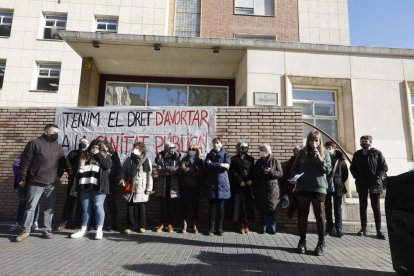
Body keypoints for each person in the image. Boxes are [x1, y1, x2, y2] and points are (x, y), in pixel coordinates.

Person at [15, 124, 67, 242]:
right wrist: (23, 177)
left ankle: (47, 230)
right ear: (46, 132)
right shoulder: (34, 143)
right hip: (35, 181)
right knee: (30, 207)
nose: (56, 135)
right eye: (54, 132)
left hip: (51, 183)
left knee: (50, 208)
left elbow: (62, 163)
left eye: (57, 133)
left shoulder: (58, 146)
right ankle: (26, 230)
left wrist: (58, 176)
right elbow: (25, 161)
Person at [290, 130, 331, 256]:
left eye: (316, 140)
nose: (313, 143)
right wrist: (293, 179)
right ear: (308, 140)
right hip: (303, 188)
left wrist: (319, 157)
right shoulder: (302, 153)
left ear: (319, 141)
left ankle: (321, 243)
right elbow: (294, 169)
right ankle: (302, 241)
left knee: (320, 215)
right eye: (311, 140)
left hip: (319, 188)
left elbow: (327, 170)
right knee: (302, 214)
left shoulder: (325, 153)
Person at [70, 139, 112, 240]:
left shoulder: (106, 155)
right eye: (93, 147)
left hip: (98, 186)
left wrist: (98, 154)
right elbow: (78, 169)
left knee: (98, 207)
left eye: (97, 147)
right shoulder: (84, 155)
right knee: (85, 208)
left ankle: (99, 230)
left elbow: (106, 166)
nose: (95, 149)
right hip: (85, 184)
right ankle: (83, 229)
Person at [350, 135, 388, 240]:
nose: (363, 143)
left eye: (365, 141)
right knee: (363, 207)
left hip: (375, 184)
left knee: (376, 207)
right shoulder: (357, 154)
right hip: (362, 184)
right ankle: (363, 228)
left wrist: (377, 177)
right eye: (361, 141)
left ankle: (378, 230)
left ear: (370, 142)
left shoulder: (377, 153)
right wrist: (356, 176)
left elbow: (384, 167)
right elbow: (352, 167)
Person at [57, 137, 89, 231]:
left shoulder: (89, 154)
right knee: (69, 203)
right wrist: (70, 170)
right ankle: (64, 222)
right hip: (73, 182)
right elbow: (67, 162)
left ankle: (78, 223)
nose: (81, 143)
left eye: (84, 142)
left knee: (81, 204)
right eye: (80, 142)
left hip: (84, 183)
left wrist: (84, 151)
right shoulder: (73, 152)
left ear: (88, 144)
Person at [120, 142, 153, 234]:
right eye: (134, 148)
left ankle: (142, 226)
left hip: (141, 188)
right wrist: (122, 179)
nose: (135, 150)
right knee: (130, 207)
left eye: (137, 148)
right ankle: (129, 226)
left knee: (141, 208)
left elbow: (149, 176)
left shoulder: (146, 161)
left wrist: (149, 189)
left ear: (142, 150)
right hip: (130, 186)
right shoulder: (128, 160)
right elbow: (123, 171)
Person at [253, 144, 283, 234]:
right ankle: (263, 226)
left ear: (267, 151)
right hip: (262, 188)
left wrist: (271, 171)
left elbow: (280, 174)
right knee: (263, 209)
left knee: (272, 209)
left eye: (262, 150)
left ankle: (272, 227)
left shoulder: (274, 160)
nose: (260, 152)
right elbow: (255, 173)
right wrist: (261, 171)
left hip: (273, 188)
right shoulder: (259, 162)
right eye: (260, 150)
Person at [205, 137, 231, 236]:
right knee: (212, 207)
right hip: (212, 184)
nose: (216, 144)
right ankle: (211, 228)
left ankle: (219, 228)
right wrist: (221, 165)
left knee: (221, 208)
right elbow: (207, 165)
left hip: (222, 184)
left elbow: (228, 166)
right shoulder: (209, 154)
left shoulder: (226, 154)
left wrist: (214, 164)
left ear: (221, 143)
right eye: (214, 143)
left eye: (217, 142)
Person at [154, 142, 181, 233]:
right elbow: (159, 169)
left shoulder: (176, 156)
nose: (172, 149)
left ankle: (170, 224)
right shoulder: (160, 156)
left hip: (172, 185)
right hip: (163, 184)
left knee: (171, 206)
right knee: (162, 206)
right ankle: (161, 224)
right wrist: (169, 169)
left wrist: (166, 168)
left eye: (173, 148)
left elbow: (176, 169)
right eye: (171, 148)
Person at [9, 154, 40, 232]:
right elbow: (16, 166)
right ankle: (20, 222)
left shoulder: (39, 155)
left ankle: (34, 222)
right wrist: (22, 178)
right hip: (23, 183)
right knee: (23, 202)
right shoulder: (23, 155)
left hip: (34, 182)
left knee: (34, 202)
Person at [229, 142, 255, 234]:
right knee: (239, 206)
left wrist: (251, 180)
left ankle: (246, 225)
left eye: (245, 148)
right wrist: (240, 180)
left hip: (248, 186)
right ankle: (240, 225)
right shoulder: (233, 159)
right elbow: (232, 171)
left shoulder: (251, 159)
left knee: (247, 206)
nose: (244, 149)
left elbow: (253, 171)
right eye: (242, 148)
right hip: (238, 185)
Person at [324, 141, 348, 238]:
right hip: (326, 186)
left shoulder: (341, 160)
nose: (328, 149)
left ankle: (339, 228)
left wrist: (339, 182)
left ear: (334, 148)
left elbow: (345, 174)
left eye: (330, 147)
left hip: (338, 187)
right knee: (327, 208)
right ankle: (330, 228)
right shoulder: (324, 158)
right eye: (327, 148)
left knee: (337, 208)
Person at [179, 144, 204, 234]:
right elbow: (182, 169)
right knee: (184, 205)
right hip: (184, 186)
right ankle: (184, 225)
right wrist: (193, 170)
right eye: (190, 149)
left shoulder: (199, 161)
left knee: (195, 206)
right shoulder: (184, 159)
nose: (192, 151)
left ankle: (194, 225)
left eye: (194, 149)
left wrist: (189, 171)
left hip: (195, 187)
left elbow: (200, 173)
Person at [103, 140, 122, 231]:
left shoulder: (114, 156)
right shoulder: (99, 155)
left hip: (110, 183)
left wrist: (111, 176)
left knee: (111, 204)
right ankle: (98, 224)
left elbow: (119, 168)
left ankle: (114, 224)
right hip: (100, 183)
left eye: (104, 147)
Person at [280, 146, 301, 218]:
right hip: (292, 186)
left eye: (298, 151)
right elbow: (286, 176)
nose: (296, 153)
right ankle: (291, 211)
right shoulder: (290, 162)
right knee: (298, 200)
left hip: (301, 186)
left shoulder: (303, 161)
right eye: (295, 151)